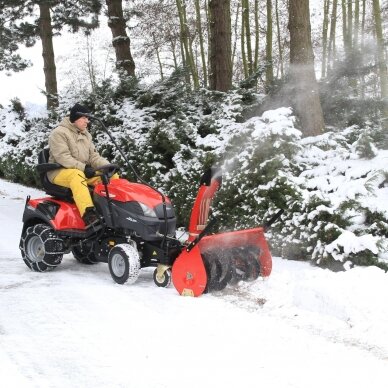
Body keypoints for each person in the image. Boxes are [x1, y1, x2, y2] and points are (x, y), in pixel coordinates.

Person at [47, 103, 119, 227]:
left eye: (88, 118)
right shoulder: (59, 133)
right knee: (77, 175)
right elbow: (63, 157)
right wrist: (84, 168)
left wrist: (108, 166)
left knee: (111, 176)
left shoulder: (86, 134)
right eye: (84, 118)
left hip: (82, 170)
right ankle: (89, 215)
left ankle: (115, 210)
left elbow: (93, 157)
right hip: (59, 171)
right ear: (75, 118)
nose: (87, 121)